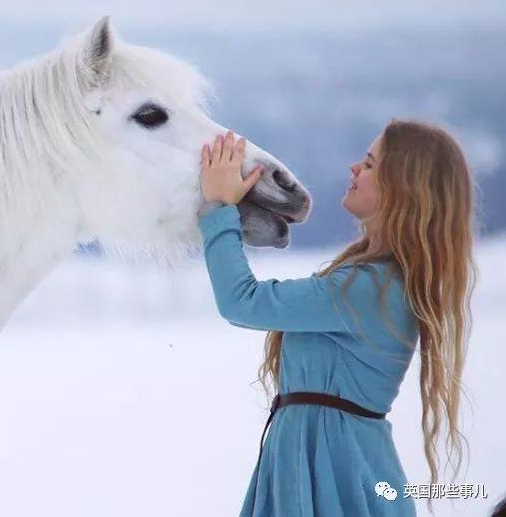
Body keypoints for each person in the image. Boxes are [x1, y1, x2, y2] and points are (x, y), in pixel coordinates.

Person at [197, 119, 477, 516]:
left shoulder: (369, 289)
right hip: (329, 462)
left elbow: (242, 301)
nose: (354, 169)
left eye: (370, 163)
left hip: (333, 470)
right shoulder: (375, 281)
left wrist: (219, 208)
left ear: (402, 187)